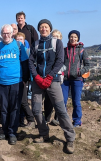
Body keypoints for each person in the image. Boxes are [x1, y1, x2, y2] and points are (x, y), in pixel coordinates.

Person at [29, 19, 75, 154]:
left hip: (53, 81)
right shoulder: (35, 44)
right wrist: (36, 77)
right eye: (41, 27)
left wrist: (49, 76)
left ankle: (70, 138)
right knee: (36, 110)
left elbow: (60, 60)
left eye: (46, 27)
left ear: (50, 28)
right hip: (38, 82)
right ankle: (44, 133)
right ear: (38, 29)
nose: (44, 29)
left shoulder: (57, 42)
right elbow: (31, 62)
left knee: (60, 110)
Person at [0, 25, 29, 145]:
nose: (6, 35)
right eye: (4, 33)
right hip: (1, 83)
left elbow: (24, 63)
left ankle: (12, 132)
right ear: (1, 34)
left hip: (16, 82)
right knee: (4, 109)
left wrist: (25, 79)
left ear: (12, 33)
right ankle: (5, 131)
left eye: (8, 33)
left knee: (14, 108)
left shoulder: (19, 46)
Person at [61, 30, 90, 127]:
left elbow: (87, 65)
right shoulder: (64, 50)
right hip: (65, 79)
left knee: (76, 101)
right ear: (69, 38)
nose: (73, 39)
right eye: (71, 37)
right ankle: (64, 121)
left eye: (75, 37)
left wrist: (79, 72)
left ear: (78, 39)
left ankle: (77, 121)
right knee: (63, 101)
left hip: (77, 79)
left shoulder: (82, 50)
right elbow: (60, 63)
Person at [14, 32, 35, 128]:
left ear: (24, 40)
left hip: (23, 79)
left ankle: (31, 119)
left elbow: (27, 66)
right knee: (16, 101)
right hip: (15, 79)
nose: (18, 41)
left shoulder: (27, 51)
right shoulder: (14, 51)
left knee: (23, 101)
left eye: (20, 39)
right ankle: (19, 120)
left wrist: (25, 79)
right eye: (17, 39)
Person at [44, 29, 63, 126]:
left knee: (58, 100)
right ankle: (46, 118)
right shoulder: (48, 49)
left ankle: (57, 118)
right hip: (49, 77)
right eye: (53, 37)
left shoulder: (62, 49)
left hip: (59, 77)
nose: (55, 39)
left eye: (57, 37)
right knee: (48, 99)